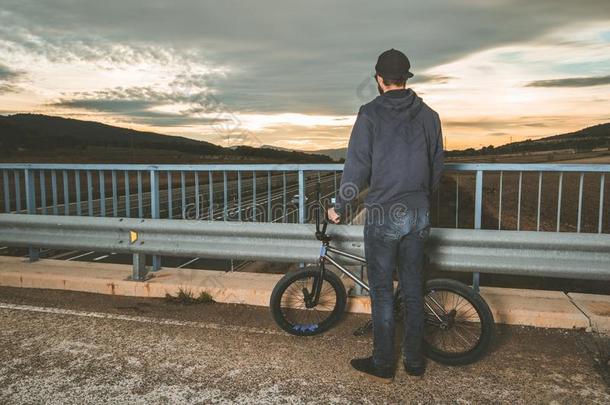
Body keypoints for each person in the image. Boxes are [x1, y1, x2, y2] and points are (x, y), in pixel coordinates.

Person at [327, 49, 444, 383]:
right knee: (412, 288)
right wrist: (421, 198)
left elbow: (356, 169)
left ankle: (382, 363)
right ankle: (415, 361)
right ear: (407, 77)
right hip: (418, 212)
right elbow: (437, 165)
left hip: (382, 215)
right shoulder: (430, 115)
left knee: (381, 293)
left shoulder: (369, 114)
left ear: (378, 79)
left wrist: (340, 206)